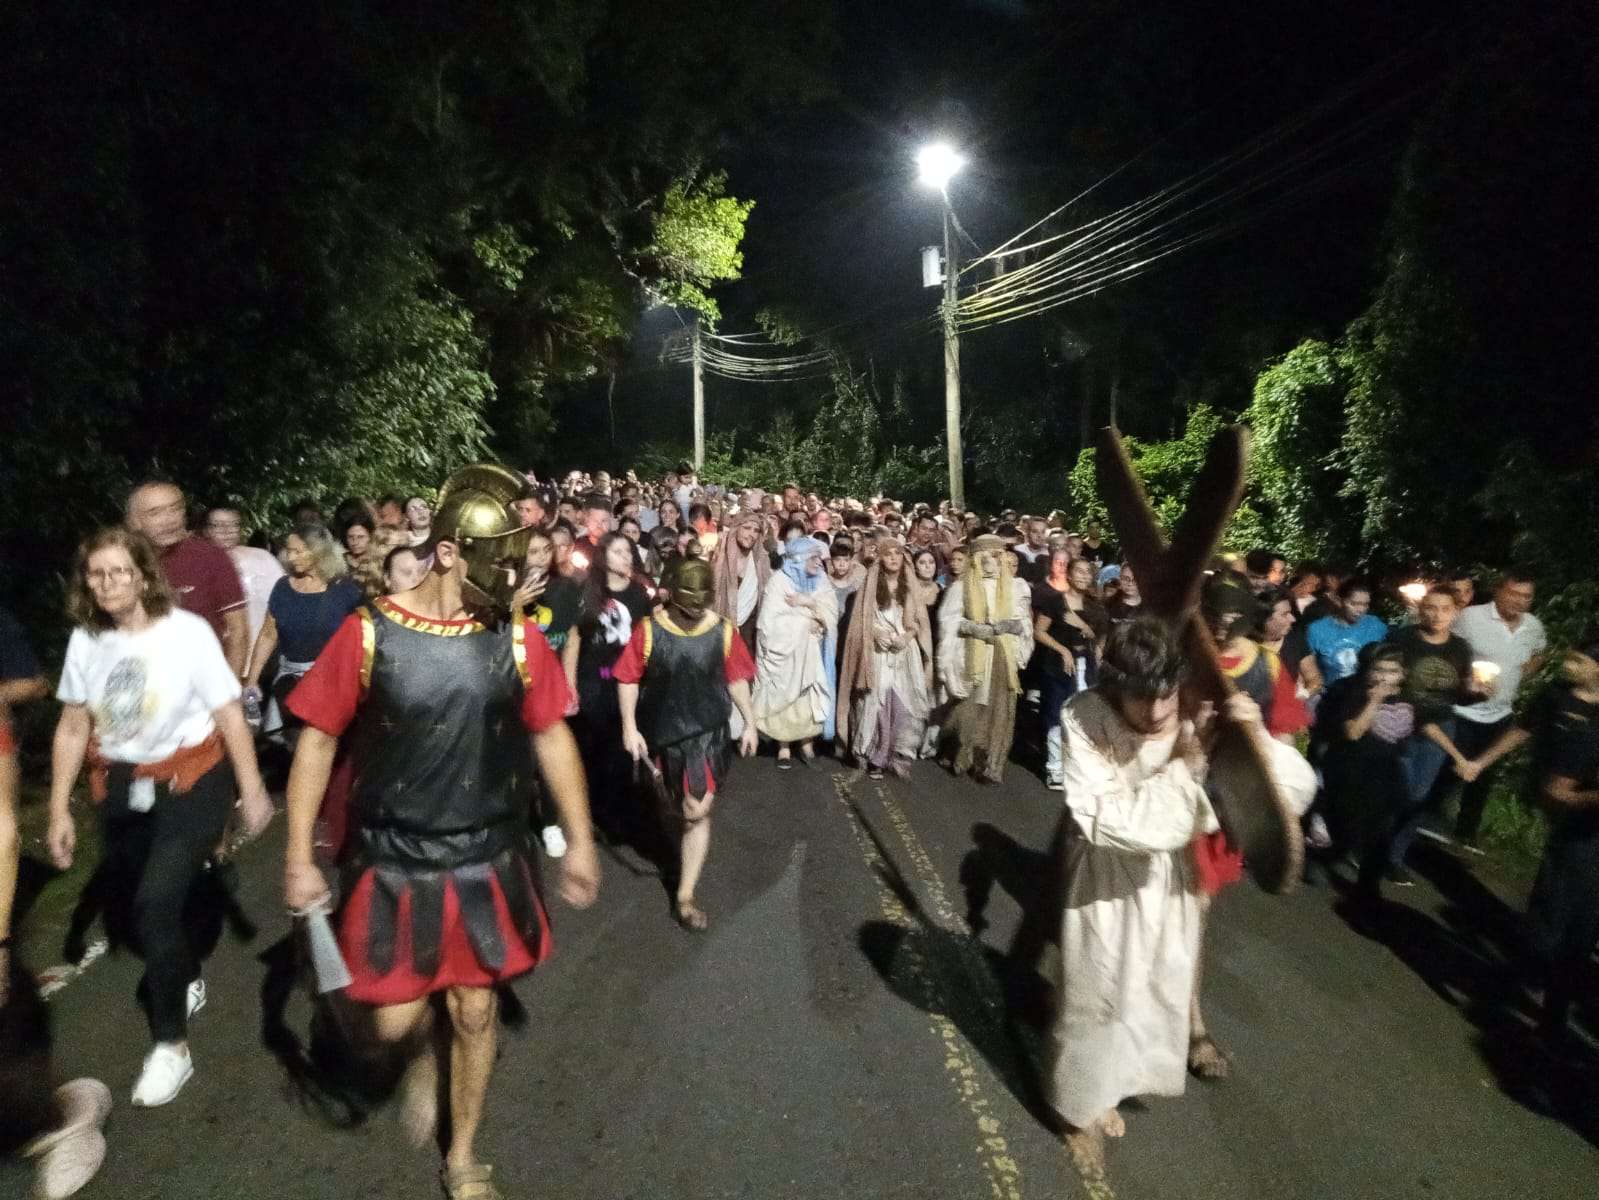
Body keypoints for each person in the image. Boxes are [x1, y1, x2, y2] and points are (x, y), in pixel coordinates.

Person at [282, 464, 599, 1199]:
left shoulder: (518, 640)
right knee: (387, 1029)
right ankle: (420, 1051)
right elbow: (318, 741)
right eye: (503, 559)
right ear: (451, 552)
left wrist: (579, 837)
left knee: (477, 1006)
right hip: (394, 858)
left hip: (486, 853)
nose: (517, 576)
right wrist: (299, 854)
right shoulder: (368, 632)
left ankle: (462, 1156)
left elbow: (551, 735)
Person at [47, 528, 272, 1107]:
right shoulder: (86, 641)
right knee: (151, 901)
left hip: (192, 779)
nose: (110, 583)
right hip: (119, 788)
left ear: (145, 576)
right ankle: (186, 965)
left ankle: (171, 1046)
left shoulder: (188, 634)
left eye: (122, 571)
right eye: (98, 573)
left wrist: (252, 788)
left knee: (152, 903)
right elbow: (74, 726)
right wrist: (57, 810)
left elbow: (226, 711)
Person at [1048, 617, 1258, 1172]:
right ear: (1114, 686)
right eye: (1142, 700)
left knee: (1147, 986)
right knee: (1097, 990)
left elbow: (1262, 787)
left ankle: (1110, 1088)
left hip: (1166, 877)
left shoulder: (1191, 706)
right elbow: (1106, 817)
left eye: (1166, 695)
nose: (1158, 712)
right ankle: (1079, 1110)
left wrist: (1243, 733)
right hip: (1107, 879)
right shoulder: (1085, 717)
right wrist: (1184, 770)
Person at [616, 558, 757, 931]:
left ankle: (685, 894)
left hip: (706, 735)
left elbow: (737, 677)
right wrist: (630, 726)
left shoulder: (724, 631)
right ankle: (676, 842)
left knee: (696, 810)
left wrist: (751, 722)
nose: (694, 611)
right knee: (672, 808)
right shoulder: (648, 630)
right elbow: (628, 678)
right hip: (662, 733)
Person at [1380, 587, 1482, 883]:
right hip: (1400, 723)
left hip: (1440, 726)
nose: (1437, 615)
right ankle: (1374, 845)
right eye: (1431, 608)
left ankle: (1394, 855)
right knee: (1397, 788)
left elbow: (1458, 695)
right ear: (1422, 609)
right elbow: (1384, 677)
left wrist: (1477, 694)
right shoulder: (1403, 639)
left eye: (1445, 609)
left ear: (1455, 612)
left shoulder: (1460, 648)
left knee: (1419, 795)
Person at [1443, 569, 1546, 852]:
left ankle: (1465, 833)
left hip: (1501, 713)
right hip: (1463, 710)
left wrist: (1526, 672)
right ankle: (1420, 819)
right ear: (1499, 592)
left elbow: (1539, 652)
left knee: (1484, 776)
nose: (1520, 601)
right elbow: (1446, 647)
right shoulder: (1471, 617)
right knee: (1449, 771)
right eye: (1514, 593)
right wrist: (1462, 677)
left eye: (1527, 596)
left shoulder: (1533, 626)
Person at [243, 525, 363, 751]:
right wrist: (252, 680)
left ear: (320, 552)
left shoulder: (345, 591)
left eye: (299, 551)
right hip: (290, 682)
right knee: (296, 746)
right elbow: (269, 634)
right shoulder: (282, 587)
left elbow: (359, 641)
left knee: (329, 747)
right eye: (289, 550)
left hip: (332, 684)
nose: (291, 557)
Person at [573, 533, 655, 838]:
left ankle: (618, 814)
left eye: (629, 552)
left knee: (621, 750)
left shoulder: (638, 595)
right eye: (618, 552)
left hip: (627, 682)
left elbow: (646, 640)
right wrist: (572, 683)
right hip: (593, 679)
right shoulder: (588, 591)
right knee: (593, 748)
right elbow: (575, 638)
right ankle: (590, 812)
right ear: (604, 557)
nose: (626, 557)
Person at [935, 534, 1033, 783]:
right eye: (986, 556)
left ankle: (990, 762)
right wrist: (974, 628)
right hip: (972, 652)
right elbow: (949, 620)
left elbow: (1024, 621)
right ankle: (960, 752)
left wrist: (1012, 625)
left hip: (1002, 655)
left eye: (996, 556)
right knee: (969, 707)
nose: (991, 561)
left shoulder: (1016, 587)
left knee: (999, 709)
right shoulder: (962, 587)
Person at [126, 482, 249, 678]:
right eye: (155, 513)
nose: (168, 520)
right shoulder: (119, 562)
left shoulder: (211, 557)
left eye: (175, 509)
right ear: (134, 521)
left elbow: (238, 632)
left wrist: (228, 696)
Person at [512, 527, 583, 858]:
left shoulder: (565, 588)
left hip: (549, 685)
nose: (539, 558)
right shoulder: (504, 590)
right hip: (513, 687)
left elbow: (570, 636)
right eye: (533, 551)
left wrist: (569, 684)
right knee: (518, 758)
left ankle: (551, 823)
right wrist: (514, 605)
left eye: (545, 551)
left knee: (550, 757)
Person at [837, 539, 932, 780]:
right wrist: (876, 633)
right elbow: (862, 618)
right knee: (875, 704)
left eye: (898, 554)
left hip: (903, 652)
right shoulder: (870, 585)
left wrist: (907, 636)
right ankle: (873, 756)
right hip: (877, 651)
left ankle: (896, 754)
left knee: (902, 705)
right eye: (888, 554)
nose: (893, 558)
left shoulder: (910, 587)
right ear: (880, 558)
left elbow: (917, 622)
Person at [754, 537, 837, 769]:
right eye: (813, 558)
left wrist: (809, 603)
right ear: (799, 559)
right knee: (784, 692)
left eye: (819, 557)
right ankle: (784, 746)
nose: (819, 563)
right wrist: (805, 622)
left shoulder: (821, 581)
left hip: (812, 651)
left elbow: (830, 612)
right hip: (786, 653)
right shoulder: (779, 582)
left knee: (808, 695)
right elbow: (769, 622)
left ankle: (807, 743)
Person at [1032, 551, 1105, 788]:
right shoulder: (1056, 602)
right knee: (1056, 715)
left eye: (1088, 572)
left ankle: (1076, 767)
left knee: (1080, 719)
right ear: (1069, 575)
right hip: (1059, 668)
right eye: (1079, 571)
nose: (1084, 576)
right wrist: (1062, 650)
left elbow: (1098, 639)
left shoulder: (1095, 608)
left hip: (1086, 668)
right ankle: (1055, 767)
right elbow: (1039, 631)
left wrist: (1084, 626)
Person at [203, 506, 285, 656]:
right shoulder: (197, 564)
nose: (226, 530)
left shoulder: (263, 558)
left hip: (261, 655)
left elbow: (284, 601)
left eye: (234, 524)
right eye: (218, 525)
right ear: (206, 530)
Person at [1300, 578, 1386, 696]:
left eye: (1365, 604)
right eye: (1354, 604)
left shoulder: (1376, 626)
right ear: (1339, 601)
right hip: (1329, 697)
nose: (1360, 610)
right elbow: (1307, 669)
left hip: (1365, 696)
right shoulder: (1317, 629)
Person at [711, 512, 770, 653]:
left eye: (756, 530)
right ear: (736, 528)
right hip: (720, 623)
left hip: (749, 628)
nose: (752, 534)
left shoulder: (761, 561)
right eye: (747, 528)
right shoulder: (720, 557)